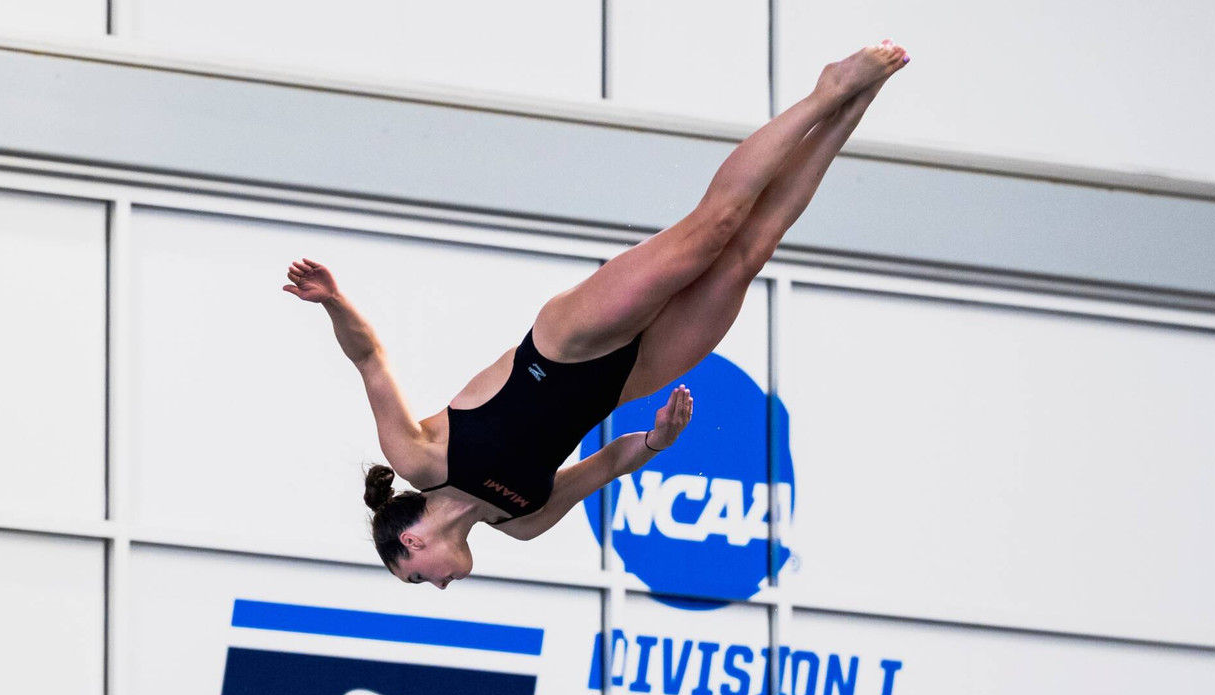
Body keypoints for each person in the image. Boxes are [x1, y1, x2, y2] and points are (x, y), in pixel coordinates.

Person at [286, 41, 910, 587]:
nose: (441, 587)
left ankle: (825, 92)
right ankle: (854, 106)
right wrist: (657, 442)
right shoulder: (522, 520)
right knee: (750, 252)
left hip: (567, 346)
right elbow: (608, 462)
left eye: (420, 580)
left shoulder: (418, 459)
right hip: (626, 380)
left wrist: (337, 304)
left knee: (713, 229)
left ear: (412, 543)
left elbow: (370, 358)